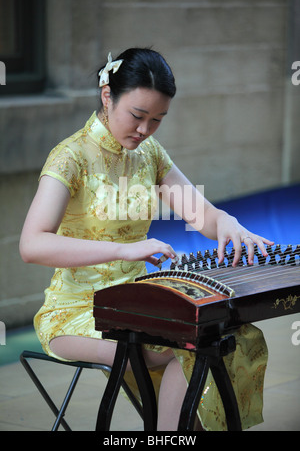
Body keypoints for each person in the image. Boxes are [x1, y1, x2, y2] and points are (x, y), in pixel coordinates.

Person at [20, 48, 273, 431]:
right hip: (76, 311)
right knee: (185, 347)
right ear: (108, 95)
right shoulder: (69, 158)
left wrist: (228, 223)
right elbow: (32, 244)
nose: (144, 130)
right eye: (137, 116)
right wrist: (124, 249)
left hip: (138, 301)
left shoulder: (149, 153)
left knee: (222, 334)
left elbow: (200, 214)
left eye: (157, 120)